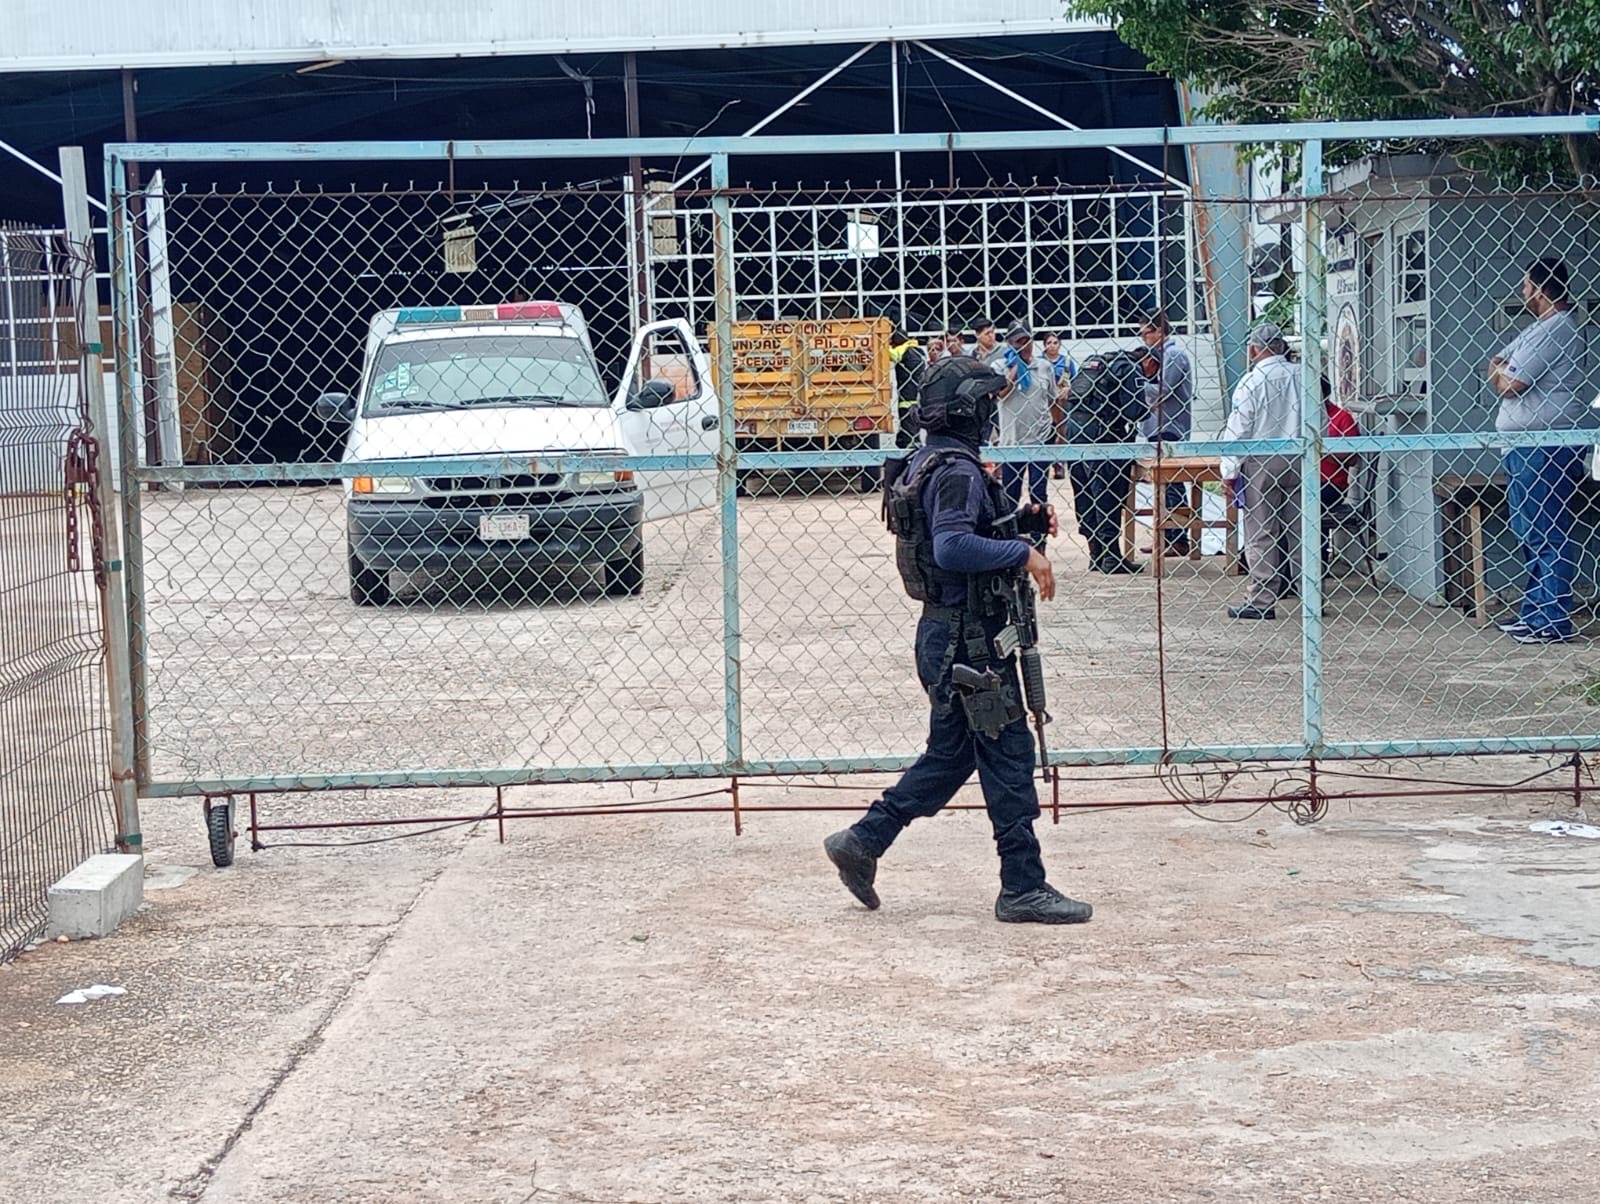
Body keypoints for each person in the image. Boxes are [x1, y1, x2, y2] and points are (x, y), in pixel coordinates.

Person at [823, 357, 1092, 925]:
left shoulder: (935, 461)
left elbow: (967, 534)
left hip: (954, 636)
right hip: (967, 644)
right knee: (1008, 757)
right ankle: (1022, 886)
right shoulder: (957, 471)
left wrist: (1019, 523)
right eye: (987, 404)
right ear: (969, 410)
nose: (993, 413)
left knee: (950, 758)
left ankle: (863, 841)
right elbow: (951, 548)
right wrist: (1023, 552)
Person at [1489, 257, 1588, 644]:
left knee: (1548, 530)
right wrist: (1502, 369)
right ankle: (1534, 613)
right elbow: (1496, 362)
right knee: (1529, 531)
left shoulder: (1557, 329)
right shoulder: (1536, 327)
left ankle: (1552, 619)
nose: (1522, 292)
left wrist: (1503, 371)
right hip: (1522, 443)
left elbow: (1510, 383)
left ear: (1541, 288)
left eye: (1526, 285)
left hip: (1545, 444)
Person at [1222, 323, 1302, 620]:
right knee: (1302, 528)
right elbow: (1318, 418)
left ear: (1254, 350)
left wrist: (1229, 469)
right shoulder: (1303, 377)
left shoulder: (1252, 382)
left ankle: (1262, 598)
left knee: (1261, 530)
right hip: (1300, 454)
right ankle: (1311, 593)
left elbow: (1239, 429)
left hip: (1262, 459)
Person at [1063, 352, 1144, 574]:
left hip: (1075, 433)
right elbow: (1135, 410)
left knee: (1084, 493)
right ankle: (1112, 556)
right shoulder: (1131, 368)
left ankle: (1095, 554)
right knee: (1108, 493)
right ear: (1148, 361)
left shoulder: (1092, 362)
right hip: (1105, 437)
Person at [995, 322, 1061, 534]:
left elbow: (1052, 401)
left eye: (1027, 340)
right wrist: (1015, 369)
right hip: (1012, 442)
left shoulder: (1044, 367)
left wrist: (1060, 431)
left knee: (1038, 491)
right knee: (1010, 494)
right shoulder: (1000, 366)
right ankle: (1010, 539)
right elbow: (1001, 393)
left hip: (1040, 438)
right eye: (1018, 341)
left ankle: (1039, 542)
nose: (1024, 345)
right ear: (1010, 344)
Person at [1138, 312, 1195, 556]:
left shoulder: (1173, 355)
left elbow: (1163, 390)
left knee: (1173, 484)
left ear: (1159, 331)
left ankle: (1179, 537)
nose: (1142, 338)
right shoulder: (1156, 355)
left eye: (1145, 332)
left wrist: (1135, 387)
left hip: (1171, 427)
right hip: (1156, 426)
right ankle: (1165, 536)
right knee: (1161, 486)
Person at [1040, 331, 1076, 481]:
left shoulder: (1067, 362)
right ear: (1044, 345)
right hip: (1044, 402)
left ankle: (1058, 462)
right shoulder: (1039, 362)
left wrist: (1068, 388)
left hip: (1062, 400)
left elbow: (1076, 380)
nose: (1052, 346)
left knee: (1061, 432)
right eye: (1049, 343)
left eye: (1055, 343)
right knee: (1045, 431)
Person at [889, 323, 928, 449]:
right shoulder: (919, 350)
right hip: (918, 395)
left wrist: (880, 345)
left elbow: (894, 355)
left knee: (908, 426)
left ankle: (910, 448)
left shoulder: (905, 349)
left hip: (908, 397)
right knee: (912, 428)